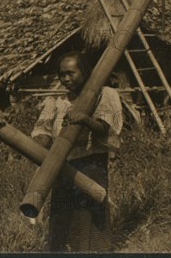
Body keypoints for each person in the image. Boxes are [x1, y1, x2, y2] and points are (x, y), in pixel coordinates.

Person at [31, 51, 123, 252]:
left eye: (71, 73)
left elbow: (104, 127)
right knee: (62, 215)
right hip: (63, 165)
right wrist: (41, 143)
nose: (65, 79)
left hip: (91, 165)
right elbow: (43, 130)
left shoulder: (103, 94)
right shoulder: (56, 101)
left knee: (88, 213)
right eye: (62, 74)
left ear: (85, 72)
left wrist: (85, 120)